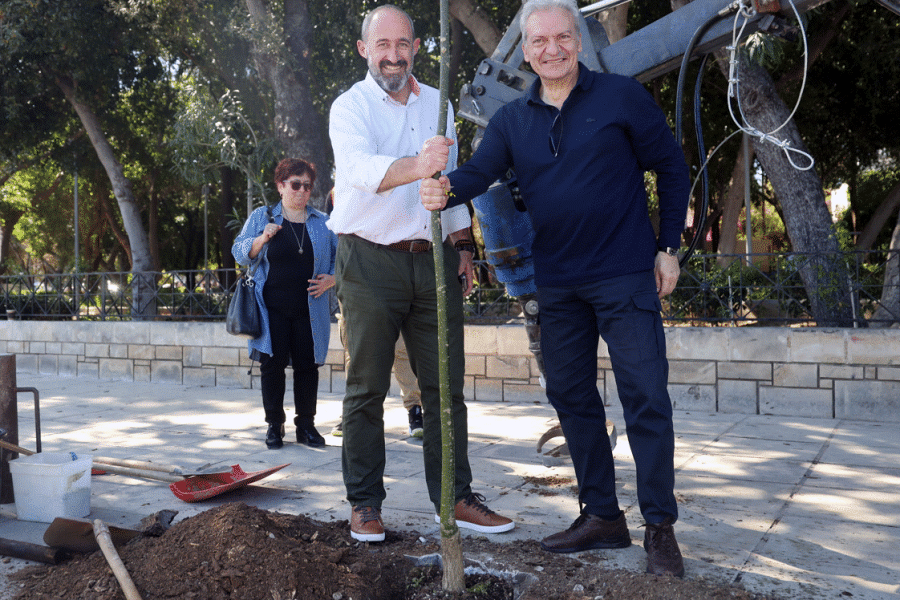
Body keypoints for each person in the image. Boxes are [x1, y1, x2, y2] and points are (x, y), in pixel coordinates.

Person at [420, 0, 690, 578]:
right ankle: (602, 516)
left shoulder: (620, 98)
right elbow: (479, 172)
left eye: (560, 38)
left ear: (577, 40)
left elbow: (671, 165)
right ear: (525, 49)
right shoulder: (513, 120)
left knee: (645, 398)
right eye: (537, 41)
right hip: (559, 282)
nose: (550, 50)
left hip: (625, 275)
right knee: (571, 396)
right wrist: (444, 187)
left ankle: (660, 528)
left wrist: (669, 247)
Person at [328, 3, 514, 543]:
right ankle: (364, 503)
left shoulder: (437, 104)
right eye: (381, 46)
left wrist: (462, 244)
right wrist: (419, 164)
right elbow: (360, 172)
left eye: (402, 44)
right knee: (365, 389)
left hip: (430, 257)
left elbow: (450, 185)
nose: (393, 55)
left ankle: (454, 498)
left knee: (445, 389)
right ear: (365, 50)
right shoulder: (349, 107)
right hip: (368, 260)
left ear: (415, 46)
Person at [232, 158, 338, 450]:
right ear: (281, 186)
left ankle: (306, 425)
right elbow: (240, 253)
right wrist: (261, 238)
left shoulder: (322, 223)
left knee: (307, 367)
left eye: (307, 186)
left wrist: (332, 280)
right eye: (295, 184)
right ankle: (274, 425)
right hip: (271, 309)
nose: (302, 191)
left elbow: (345, 260)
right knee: (272, 367)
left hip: (310, 309)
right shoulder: (262, 216)